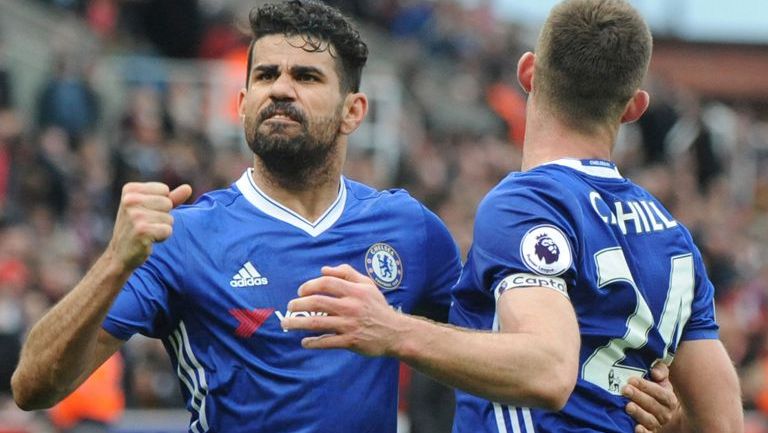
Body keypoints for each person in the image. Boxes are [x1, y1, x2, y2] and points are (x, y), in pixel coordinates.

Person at [13, 1, 678, 432]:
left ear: (355, 112)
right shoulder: (184, 236)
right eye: (266, 74)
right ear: (240, 103)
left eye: (306, 77)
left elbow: (511, 356)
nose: (280, 87)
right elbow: (33, 386)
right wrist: (111, 262)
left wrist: (633, 393)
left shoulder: (412, 230)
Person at [281, 1, 743, 432]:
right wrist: (679, 422)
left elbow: (548, 370)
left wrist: (391, 330)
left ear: (527, 72)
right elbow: (723, 424)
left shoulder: (528, 203)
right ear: (633, 107)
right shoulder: (671, 233)